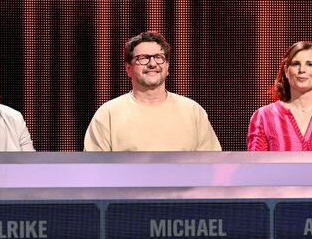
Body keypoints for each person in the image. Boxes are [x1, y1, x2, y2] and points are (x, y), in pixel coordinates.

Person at [84, 31, 221, 151]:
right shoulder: (108, 114)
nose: (152, 64)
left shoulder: (193, 111)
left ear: (167, 67)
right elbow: (94, 168)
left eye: (159, 57)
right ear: (128, 68)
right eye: (143, 58)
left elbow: (213, 165)